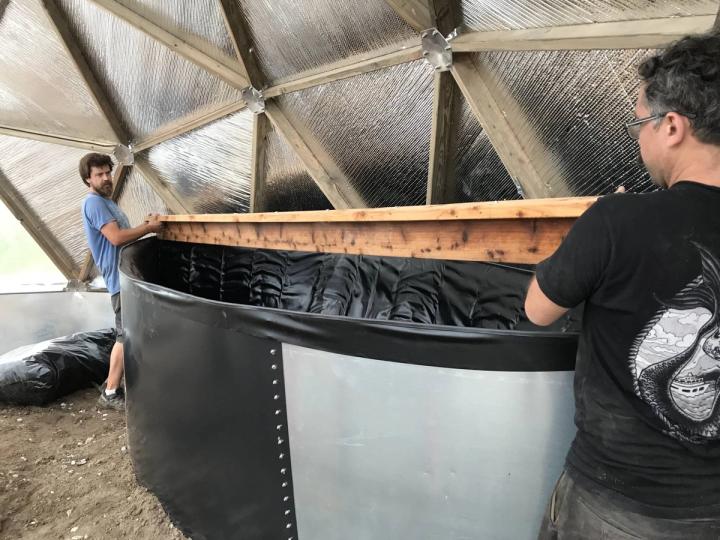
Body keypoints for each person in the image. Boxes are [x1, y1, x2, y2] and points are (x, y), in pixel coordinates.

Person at [525, 33, 720, 539]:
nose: (638, 139)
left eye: (639, 123)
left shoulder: (617, 220)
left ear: (672, 126)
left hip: (615, 507)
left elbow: (538, 310)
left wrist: (603, 227)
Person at [79, 153, 162, 410]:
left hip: (127, 278)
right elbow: (116, 238)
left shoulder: (106, 203)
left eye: (108, 172)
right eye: (99, 174)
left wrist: (144, 226)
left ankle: (114, 384)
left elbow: (121, 235)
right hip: (119, 281)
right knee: (125, 336)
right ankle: (110, 392)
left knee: (131, 334)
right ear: (88, 179)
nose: (106, 178)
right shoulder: (94, 203)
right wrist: (148, 228)